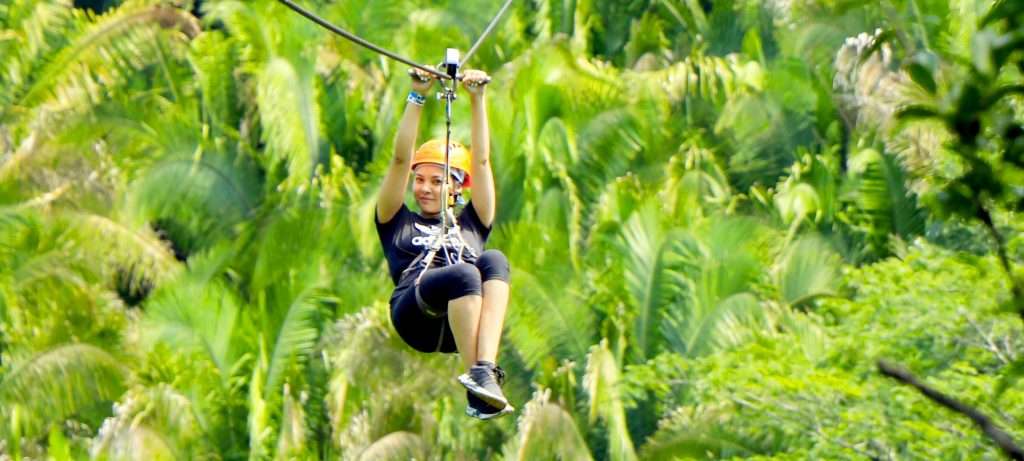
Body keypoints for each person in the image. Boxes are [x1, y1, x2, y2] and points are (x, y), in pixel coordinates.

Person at [374, 66, 513, 420]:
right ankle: (477, 384)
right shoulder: (397, 221)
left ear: (455, 188)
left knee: (493, 259)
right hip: (414, 313)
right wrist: (417, 95)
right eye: (419, 180)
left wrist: (477, 100)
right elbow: (399, 160)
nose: (423, 188)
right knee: (464, 274)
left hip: (459, 328)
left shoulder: (471, 222)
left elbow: (481, 163)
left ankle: (484, 367)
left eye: (435, 181)